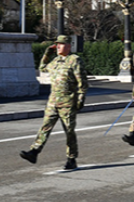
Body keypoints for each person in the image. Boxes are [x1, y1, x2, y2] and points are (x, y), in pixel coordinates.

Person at [20, 35, 89, 170]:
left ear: (68, 46)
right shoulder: (55, 61)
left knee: (69, 131)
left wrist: (80, 100)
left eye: (61, 44)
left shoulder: (74, 60)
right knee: (45, 126)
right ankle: (34, 151)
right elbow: (42, 67)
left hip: (68, 101)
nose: (58, 46)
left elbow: (82, 83)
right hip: (53, 101)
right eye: (57, 44)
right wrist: (47, 53)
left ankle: (71, 158)